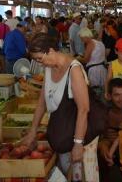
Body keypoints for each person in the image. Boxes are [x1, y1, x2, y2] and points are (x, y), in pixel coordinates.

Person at [21, 33, 99, 181]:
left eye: (40, 58)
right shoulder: (49, 68)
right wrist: (33, 130)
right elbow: (42, 102)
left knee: (80, 177)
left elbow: (83, 109)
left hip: (79, 135)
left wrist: (78, 144)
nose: (40, 63)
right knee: (65, 174)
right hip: (63, 133)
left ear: (50, 51)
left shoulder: (73, 70)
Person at [98, 78, 122, 182]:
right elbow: (95, 140)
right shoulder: (103, 113)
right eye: (116, 95)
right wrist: (103, 145)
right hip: (108, 147)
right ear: (110, 96)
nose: (121, 99)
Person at [78, 27, 107, 96]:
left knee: (95, 92)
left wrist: (77, 59)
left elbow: (86, 60)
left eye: (82, 38)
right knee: (103, 90)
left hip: (94, 71)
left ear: (85, 36)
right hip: (102, 69)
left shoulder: (90, 44)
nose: (81, 40)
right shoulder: (99, 42)